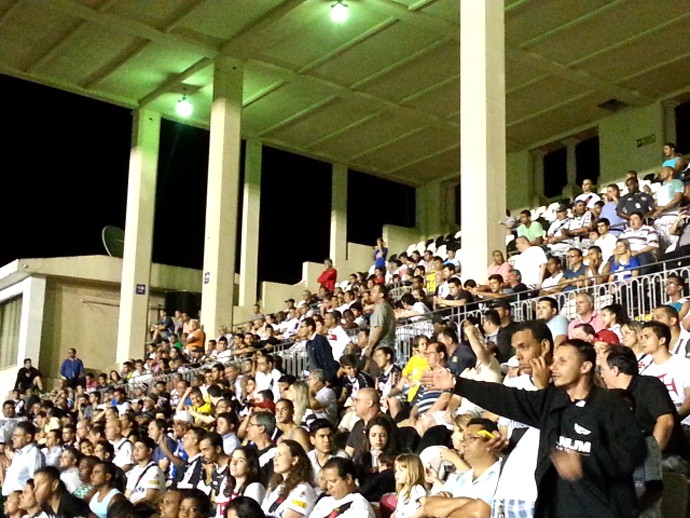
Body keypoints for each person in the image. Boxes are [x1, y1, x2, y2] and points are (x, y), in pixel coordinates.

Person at [423, 338, 647, 518]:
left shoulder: (611, 405)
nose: (553, 366)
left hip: (604, 509)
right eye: (554, 360)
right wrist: (457, 384)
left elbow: (634, 451)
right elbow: (506, 398)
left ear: (586, 366)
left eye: (562, 361)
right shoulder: (552, 401)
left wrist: (585, 462)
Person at [416, 418, 501, 518]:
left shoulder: (503, 474)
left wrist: (447, 505)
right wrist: (467, 502)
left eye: (471, 438)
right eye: (464, 439)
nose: (464, 444)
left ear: (491, 440)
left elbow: (481, 512)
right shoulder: (459, 477)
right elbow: (428, 505)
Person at [261, 440, 316, 518]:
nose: (275, 459)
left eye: (280, 454)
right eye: (275, 455)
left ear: (294, 460)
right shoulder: (275, 486)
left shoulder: (303, 489)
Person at [310, 458, 376, 518]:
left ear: (348, 479)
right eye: (327, 482)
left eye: (333, 481)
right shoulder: (323, 502)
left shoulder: (359, 505)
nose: (329, 486)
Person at [219, 446, 266, 516]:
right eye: (232, 459)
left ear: (250, 467)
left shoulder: (255, 487)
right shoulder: (225, 483)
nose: (234, 463)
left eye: (240, 460)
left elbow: (249, 515)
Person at [2, 421, 45, 496]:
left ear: (28, 437)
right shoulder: (18, 454)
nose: (12, 438)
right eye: (13, 435)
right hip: (9, 499)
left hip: (20, 501)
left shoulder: (34, 454)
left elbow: (35, 482)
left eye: (16, 436)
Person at [125, 437, 164, 509]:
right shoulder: (135, 469)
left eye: (140, 447)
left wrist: (131, 508)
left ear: (149, 450)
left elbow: (149, 498)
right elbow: (127, 494)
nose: (136, 450)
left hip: (144, 510)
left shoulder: (154, 470)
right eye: (135, 447)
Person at [301, 318, 339, 385]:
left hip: (325, 380)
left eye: (302, 327)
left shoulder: (320, 340)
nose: (300, 330)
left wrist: (329, 379)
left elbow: (327, 360)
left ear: (310, 327)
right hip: (316, 379)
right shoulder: (308, 343)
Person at [392, 453, 427, 518]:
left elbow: (425, 507)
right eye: (396, 471)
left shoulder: (417, 489)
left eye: (401, 470)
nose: (397, 474)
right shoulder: (403, 490)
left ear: (412, 471)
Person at [368, 284, 397, 352]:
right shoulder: (387, 306)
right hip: (387, 346)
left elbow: (379, 328)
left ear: (381, 295)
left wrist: (371, 347)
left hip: (380, 347)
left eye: (374, 291)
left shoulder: (380, 307)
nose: (371, 293)